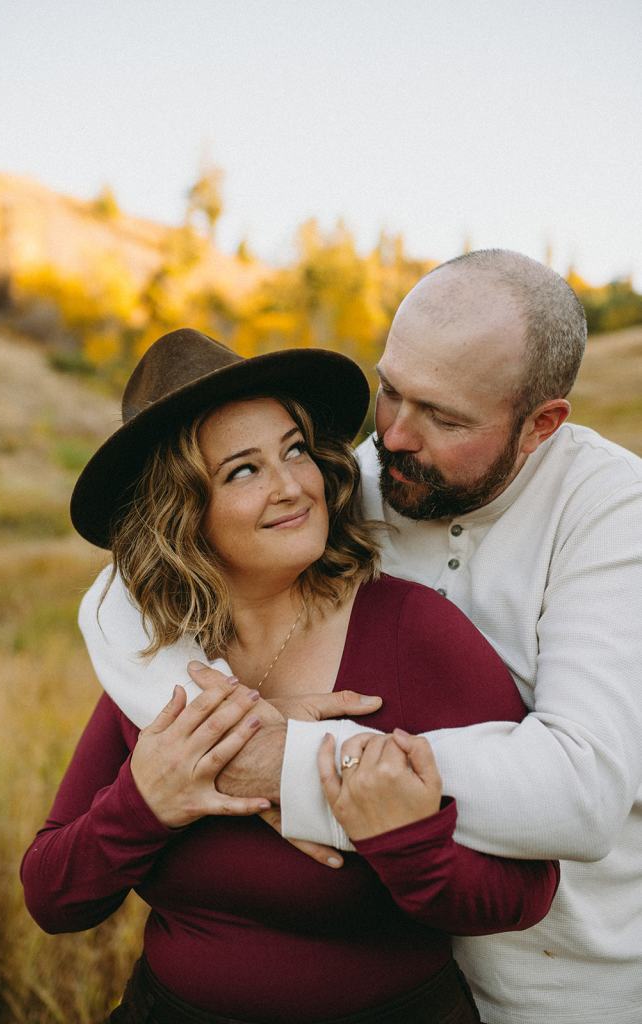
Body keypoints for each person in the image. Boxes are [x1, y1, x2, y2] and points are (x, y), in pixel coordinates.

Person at [81, 251, 642, 1024]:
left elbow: (581, 792)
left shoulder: (616, 516)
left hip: (566, 981)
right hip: (407, 964)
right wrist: (231, 739)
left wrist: (293, 765)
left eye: (444, 417)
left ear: (540, 425)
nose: (395, 436)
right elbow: (121, 594)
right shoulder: (365, 476)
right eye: (390, 392)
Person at [21, 329, 558, 1024]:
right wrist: (146, 801)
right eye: (242, 470)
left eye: (294, 450)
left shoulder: (414, 632)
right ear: (179, 512)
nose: (292, 486)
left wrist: (400, 839)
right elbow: (54, 899)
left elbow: (526, 893)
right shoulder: (157, 665)